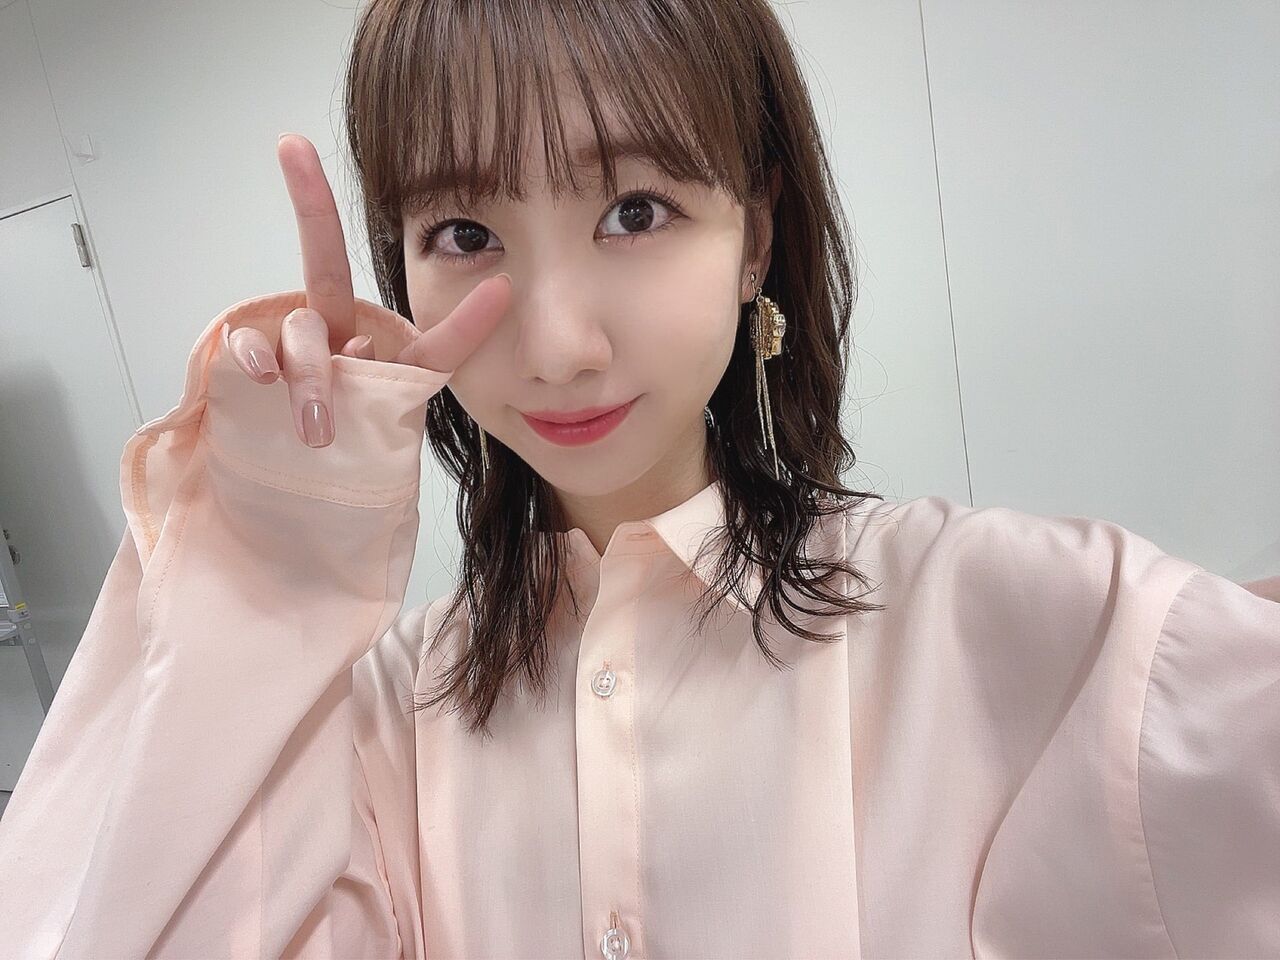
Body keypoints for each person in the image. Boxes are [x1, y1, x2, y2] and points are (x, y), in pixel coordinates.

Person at [1, 1, 1277, 957]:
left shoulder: (986, 619)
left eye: (634, 212)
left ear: (752, 237)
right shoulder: (382, 720)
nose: (557, 344)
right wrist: (274, 564)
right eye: (465, 233)